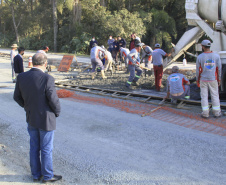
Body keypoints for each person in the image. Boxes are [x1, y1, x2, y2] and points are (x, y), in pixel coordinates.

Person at [13, 53, 62, 183]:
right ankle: (47, 176)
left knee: (34, 147)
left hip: (31, 117)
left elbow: (16, 97)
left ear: (33, 62)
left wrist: (26, 106)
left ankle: (35, 175)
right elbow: (53, 99)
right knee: (46, 148)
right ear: (45, 63)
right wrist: (57, 112)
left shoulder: (22, 77)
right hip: (46, 119)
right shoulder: (47, 78)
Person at [196, 39, 221, 118]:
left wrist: (197, 80)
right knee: (215, 96)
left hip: (203, 79)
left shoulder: (200, 57)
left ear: (202, 47)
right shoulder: (216, 56)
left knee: (204, 96)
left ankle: (205, 113)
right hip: (213, 79)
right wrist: (219, 79)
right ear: (209, 46)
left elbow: (198, 70)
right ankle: (217, 113)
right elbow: (219, 69)